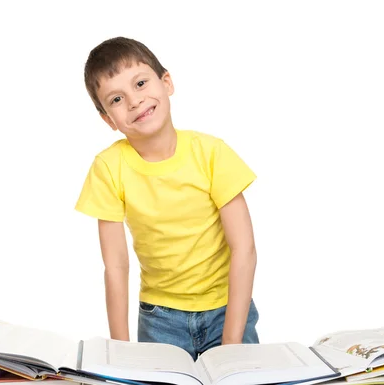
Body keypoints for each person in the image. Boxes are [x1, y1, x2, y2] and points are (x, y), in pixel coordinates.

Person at [76, 37, 259, 360]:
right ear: (108, 119)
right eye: (117, 99)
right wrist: (120, 351)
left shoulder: (212, 153)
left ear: (167, 82)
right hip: (159, 319)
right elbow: (115, 265)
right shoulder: (108, 167)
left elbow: (243, 249)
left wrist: (231, 343)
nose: (134, 101)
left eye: (141, 83)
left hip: (227, 311)